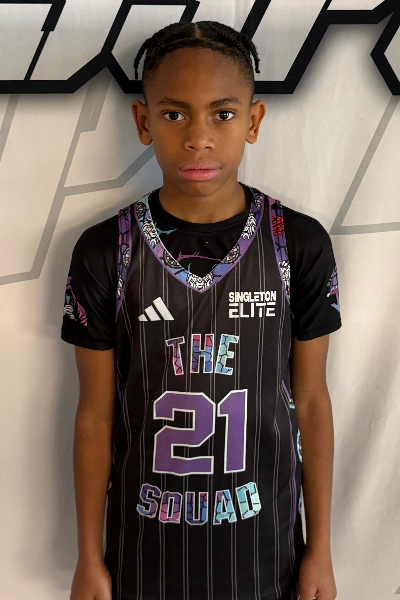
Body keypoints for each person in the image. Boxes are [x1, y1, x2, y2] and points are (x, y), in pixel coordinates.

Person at [61, 20, 341, 600]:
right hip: (146, 555)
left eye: (222, 114)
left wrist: (320, 549)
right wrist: (88, 556)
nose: (198, 138)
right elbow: (94, 415)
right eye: (173, 114)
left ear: (253, 121)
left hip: (266, 556)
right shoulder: (105, 250)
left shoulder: (297, 243)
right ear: (143, 122)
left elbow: (312, 401)